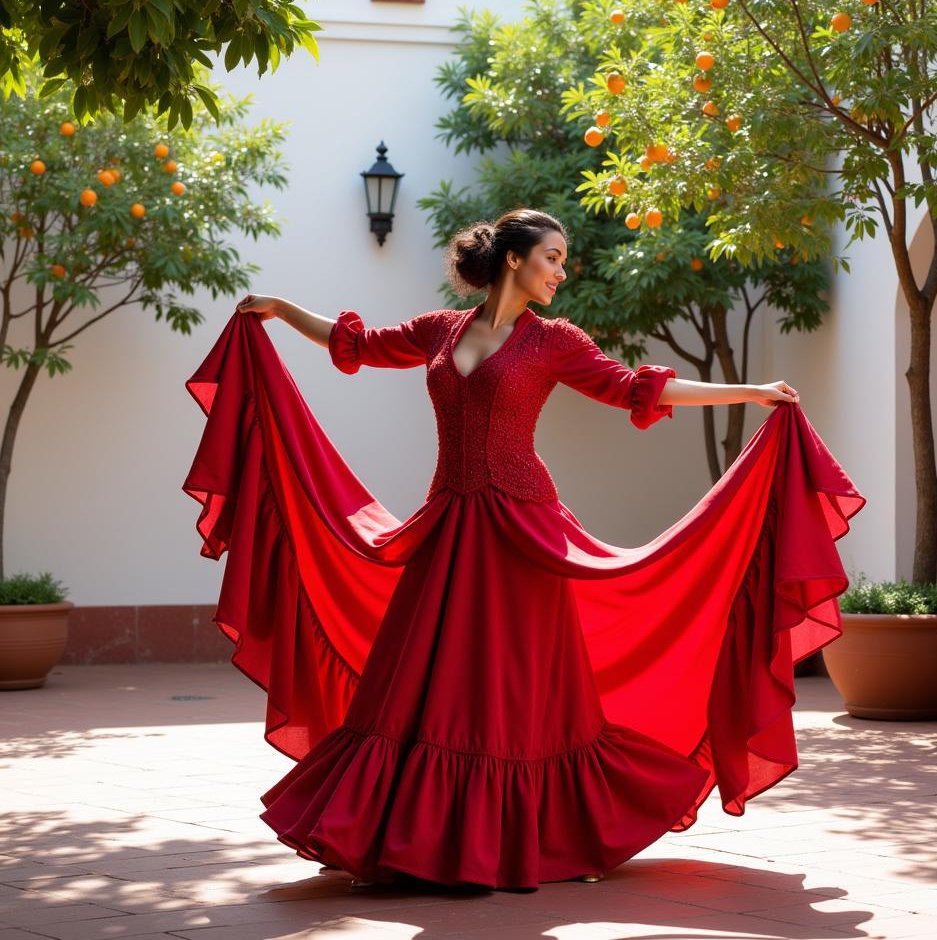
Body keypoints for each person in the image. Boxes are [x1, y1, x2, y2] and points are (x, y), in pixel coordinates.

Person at [185, 208, 864, 893]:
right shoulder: (439, 330)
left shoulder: (555, 342)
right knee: (420, 677)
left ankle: (551, 837)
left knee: (518, 688)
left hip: (521, 532)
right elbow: (356, 344)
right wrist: (280, 308)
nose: (561, 273)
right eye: (553, 258)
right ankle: (404, 838)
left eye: (563, 261)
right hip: (448, 524)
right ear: (514, 259)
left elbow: (632, 387)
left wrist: (752, 392)